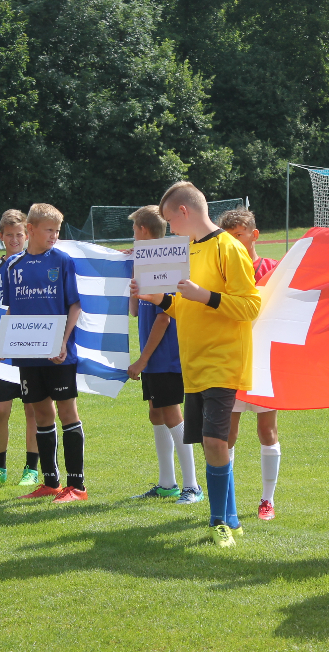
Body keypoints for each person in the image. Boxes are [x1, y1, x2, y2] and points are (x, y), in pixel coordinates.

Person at [131, 182, 262, 548]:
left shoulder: (229, 248)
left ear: (184, 212)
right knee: (212, 445)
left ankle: (218, 521)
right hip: (194, 366)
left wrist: (204, 295)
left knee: (214, 440)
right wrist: (157, 297)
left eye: (171, 219)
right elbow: (181, 307)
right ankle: (232, 519)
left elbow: (251, 306)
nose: (170, 228)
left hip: (224, 360)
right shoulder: (185, 250)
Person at [0, 203, 86, 503]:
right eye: (49, 230)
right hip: (28, 355)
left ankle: (77, 486)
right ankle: (50, 482)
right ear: (31, 230)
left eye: (57, 231)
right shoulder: (14, 266)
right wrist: (3, 342)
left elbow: (75, 304)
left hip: (59, 354)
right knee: (40, 414)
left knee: (66, 412)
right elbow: (12, 309)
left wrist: (63, 342)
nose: (54, 235)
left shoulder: (61, 261)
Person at [126, 206, 202, 503]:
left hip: (166, 356)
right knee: (156, 413)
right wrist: (133, 289)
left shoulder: (167, 262)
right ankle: (167, 483)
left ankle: (193, 485)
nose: (133, 236)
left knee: (171, 413)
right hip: (153, 357)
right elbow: (137, 312)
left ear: (144, 230)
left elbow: (164, 318)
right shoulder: (144, 265)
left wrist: (142, 360)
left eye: (134, 230)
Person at [218, 207, 281, 521]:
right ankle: (226, 501)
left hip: (266, 365)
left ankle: (266, 501)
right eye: (228, 239)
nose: (234, 244)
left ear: (254, 235)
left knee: (267, 431)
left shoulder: (273, 269)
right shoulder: (220, 275)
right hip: (231, 363)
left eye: (239, 237)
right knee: (226, 435)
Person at [0, 209, 41, 488]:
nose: (15, 239)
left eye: (19, 235)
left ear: (27, 235)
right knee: (0, 410)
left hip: (32, 347)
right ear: (0, 237)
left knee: (32, 410)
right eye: (9, 235)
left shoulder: (37, 264)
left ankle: (31, 469)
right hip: (2, 349)